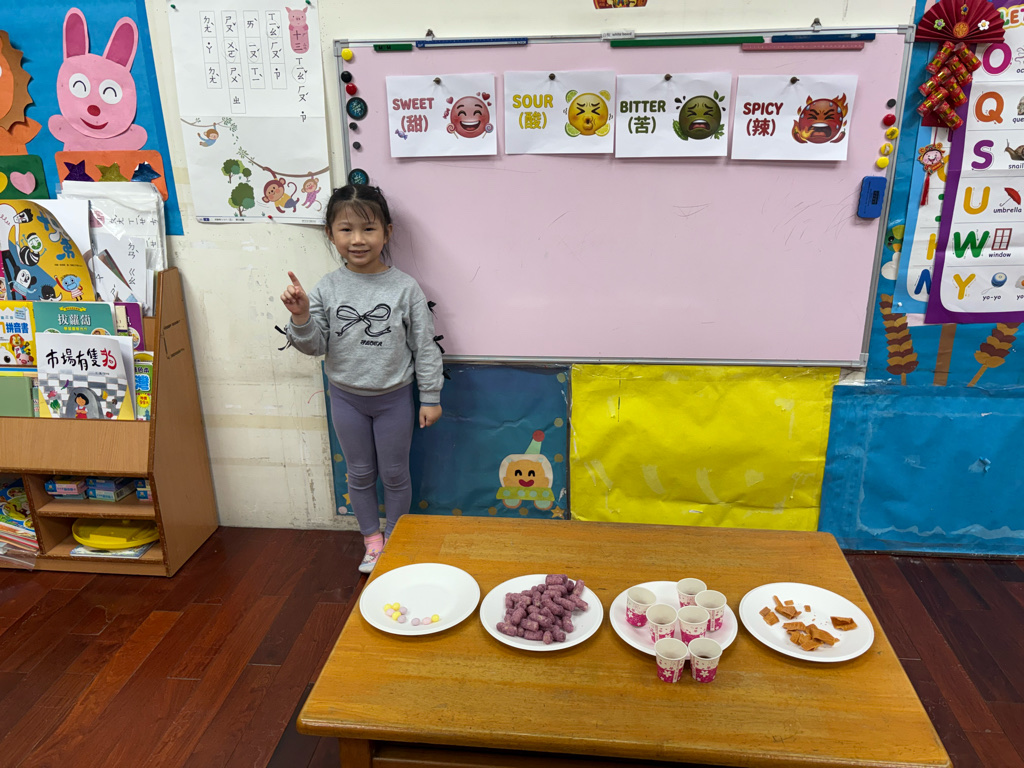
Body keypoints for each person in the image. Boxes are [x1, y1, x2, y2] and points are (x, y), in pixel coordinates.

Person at [281, 185, 443, 573]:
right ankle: (372, 541)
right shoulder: (326, 287)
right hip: (345, 398)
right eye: (346, 229)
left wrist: (431, 396)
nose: (357, 239)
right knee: (359, 473)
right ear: (330, 233)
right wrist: (301, 316)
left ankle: (396, 540)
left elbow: (424, 345)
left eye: (368, 229)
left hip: (394, 399)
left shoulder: (405, 288)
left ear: (387, 232)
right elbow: (314, 346)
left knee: (395, 473)